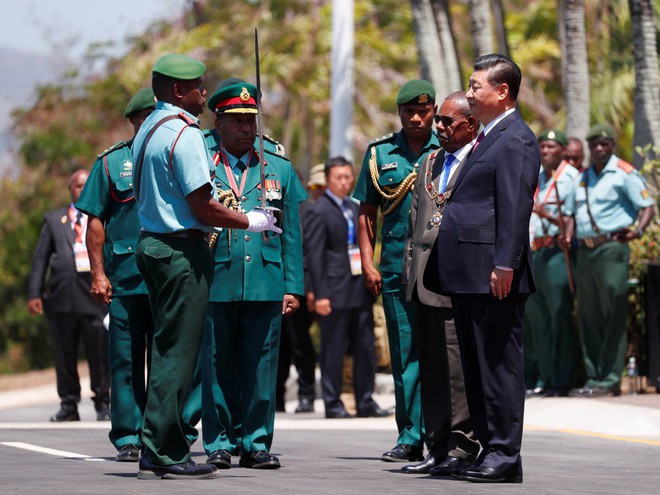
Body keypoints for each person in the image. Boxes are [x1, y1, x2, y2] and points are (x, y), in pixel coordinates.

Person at [132, 54, 280, 480]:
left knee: (165, 351)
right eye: (198, 86)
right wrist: (250, 219)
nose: (202, 92)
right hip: (181, 250)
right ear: (179, 91)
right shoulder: (184, 133)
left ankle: (158, 445)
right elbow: (203, 205)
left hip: (153, 244)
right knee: (178, 355)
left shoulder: (148, 129)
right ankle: (164, 449)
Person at [435, 54, 540, 483]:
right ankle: (487, 448)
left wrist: (504, 264)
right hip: (468, 273)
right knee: (478, 367)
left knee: (498, 364)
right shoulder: (487, 136)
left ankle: (505, 453)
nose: (470, 92)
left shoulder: (515, 138)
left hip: (493, 273)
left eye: (477, 85)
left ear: (502, 92)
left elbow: (516, 207)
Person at [201, 78, 306, 470]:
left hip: (266, 279)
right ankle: (219, 443)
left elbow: (292, 231)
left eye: (251, 120)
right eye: (238, 120)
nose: (247, 128)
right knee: (216, 366)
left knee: (262, 366)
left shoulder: (276, 165)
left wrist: (293, 285)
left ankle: (256, 442)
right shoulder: (203, 161)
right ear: (219, 122)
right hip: (217, 278)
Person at [354, 79, 440, 462]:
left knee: (441, 352)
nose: (417, 117)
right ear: (400, 113)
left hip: (439, 268)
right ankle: (409, 435)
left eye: (424, 111)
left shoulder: (451, 147)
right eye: (410, 112)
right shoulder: (379, 154)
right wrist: (368, 262)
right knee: (404, 354)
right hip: (394, 268)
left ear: (434, 111)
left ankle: (442, 433)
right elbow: (366, 214)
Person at [401, 91, 481, 475]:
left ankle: (462, 446)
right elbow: (414, 224)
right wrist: (409, 275)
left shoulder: (478, 162)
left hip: (455, 282)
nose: (440, 127)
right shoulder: (430, 161)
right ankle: (435, 445)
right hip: (423, 283)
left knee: (456, 370)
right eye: (440, 121)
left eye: (449, 122)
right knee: (432, 368)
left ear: (472, 125)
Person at [569, 123, 655, 398]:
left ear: (612, 146)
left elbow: (647, 206)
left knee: (612, 314)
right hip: (584, 251)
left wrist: (637, 231)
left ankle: (610, 378)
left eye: (603, 144)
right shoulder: (583, 176)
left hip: (611, 249)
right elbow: (572, 213)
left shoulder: (624, 173)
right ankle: (594, 377)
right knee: (589, 316)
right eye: (594, 144)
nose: (598, 148)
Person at [305, 156, 389, 419]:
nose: (344, 182)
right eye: (338, 178)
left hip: (357, 290)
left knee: (365, 347)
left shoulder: (354, 208)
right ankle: (332, 402)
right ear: (328, 180)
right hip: (333, 291)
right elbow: (315, 256)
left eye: (348, 177)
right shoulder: (318, 210)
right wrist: (319, 294)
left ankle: (365, 399)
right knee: (333, 349)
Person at [27, 169, 110, 422]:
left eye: (87, 186)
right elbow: (40, 258)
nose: (82, 190)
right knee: (64, 355)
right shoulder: (54, 220)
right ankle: (68, 404)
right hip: (61, 300)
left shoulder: (103, 217)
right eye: (78, 186)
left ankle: (103, 403)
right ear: (70, 190)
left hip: (94, 298)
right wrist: (34, 293)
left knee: (99, 353)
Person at [523, 129, 579, 398]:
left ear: (562, 150)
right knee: (539, 320)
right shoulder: (539, 177)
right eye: (542, 147)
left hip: (557, 252)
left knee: (559, 317)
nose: (545, 151)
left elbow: (572, 219)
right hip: (537, 251)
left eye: (551, 147)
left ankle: (562, 378)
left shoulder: (570, 177)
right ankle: (544, 377)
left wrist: (547, 215)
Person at [276, 163, 325, 414]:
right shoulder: (273, 208)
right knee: (279, 346)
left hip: (301, 288)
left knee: (300, 343)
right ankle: (277, 397)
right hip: (274, 286)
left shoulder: (308, 210)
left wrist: (313, 290)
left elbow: (314, 254)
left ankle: (307, 394)